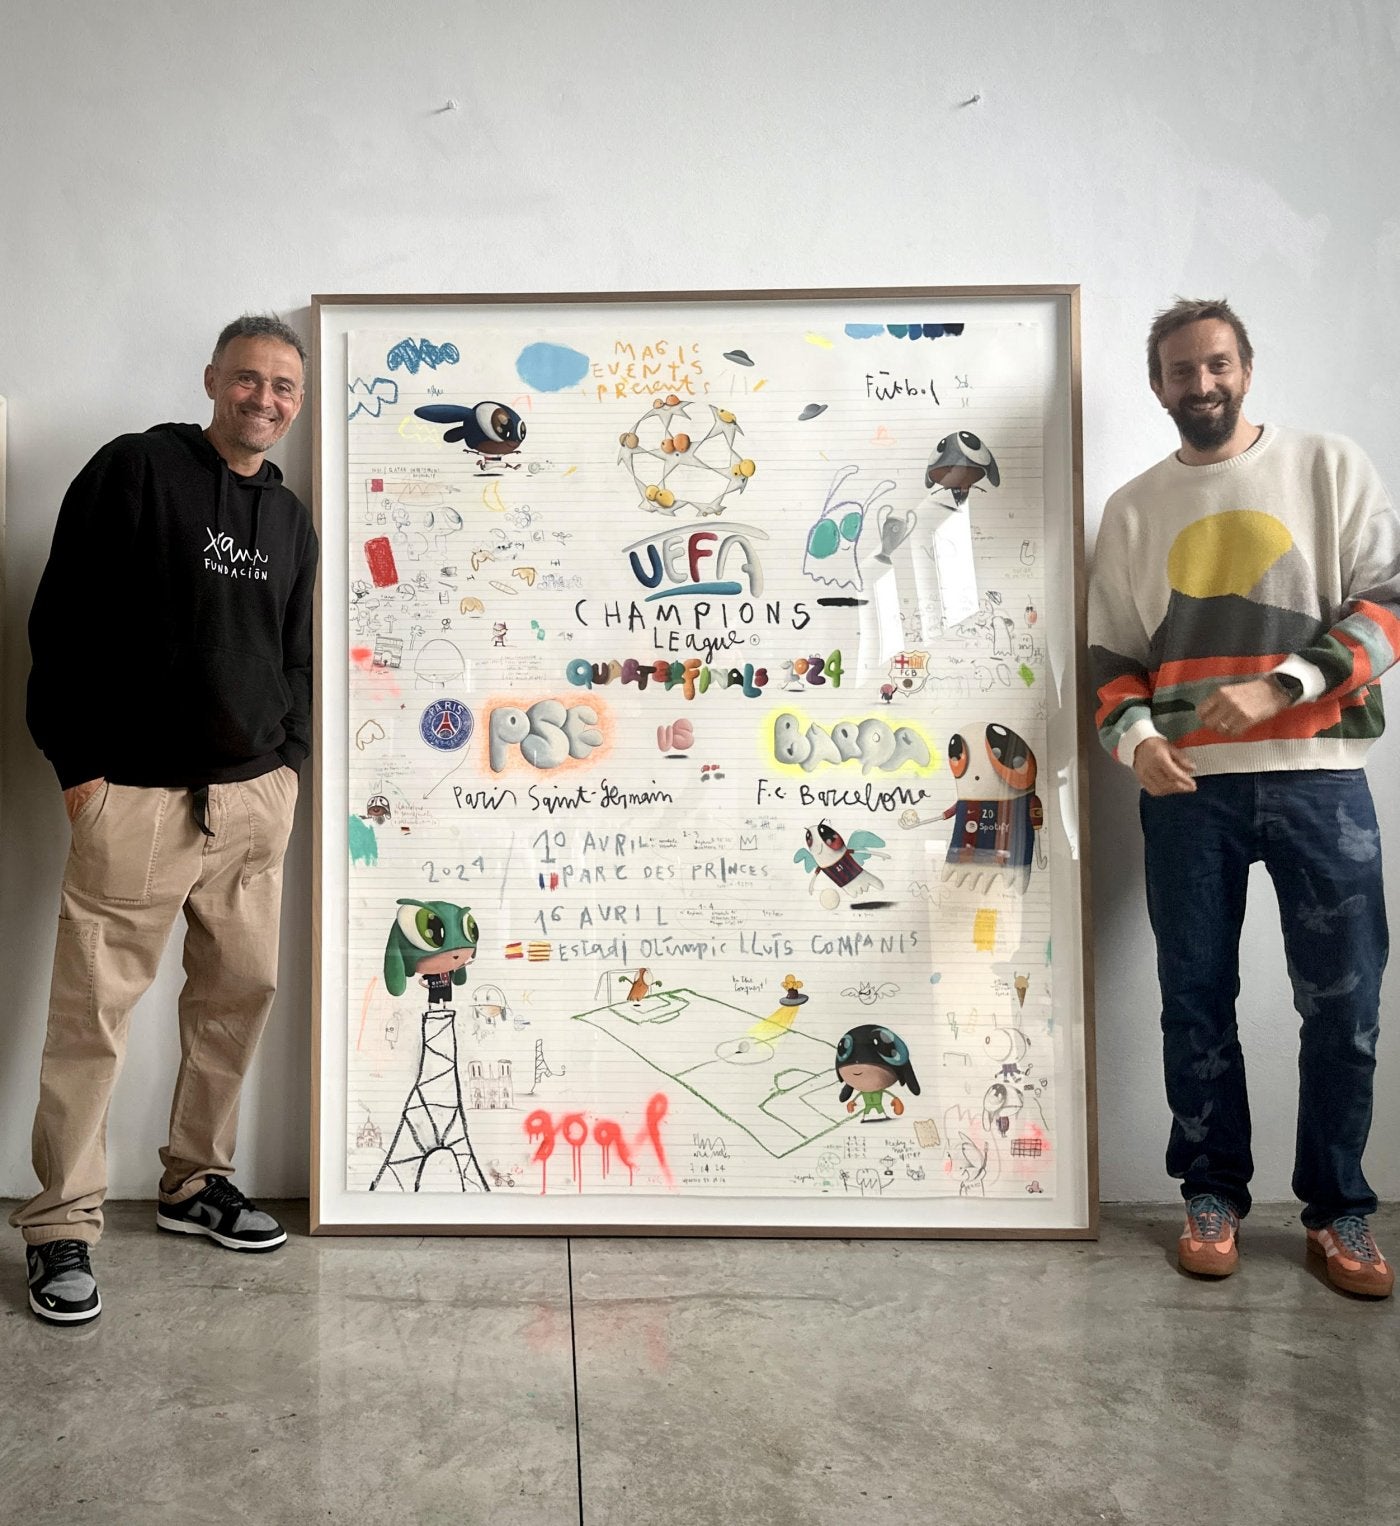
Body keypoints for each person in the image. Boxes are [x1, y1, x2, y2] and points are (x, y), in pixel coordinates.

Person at [14, 315, 319, 1325]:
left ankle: (196, 1181)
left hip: (250, 799)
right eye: (248, 380)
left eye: (283, 386)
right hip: (134, 794)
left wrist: (290, 769)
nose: (264, 399)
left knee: (237, 999)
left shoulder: (290, 521)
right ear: (212, 381)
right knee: (90, 1016)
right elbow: (58, 621)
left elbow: (298, 656)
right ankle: (61, 1221)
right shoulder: (137, 470)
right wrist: (80, 770)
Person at [1089, 297, 1397, 1297]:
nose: (1201, 385)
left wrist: (1284, 683)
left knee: (1343, 1005)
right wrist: (1133, 742)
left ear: (1246, 367)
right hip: (1186, 793)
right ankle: (1209, 1193)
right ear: (1157, 386)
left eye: (1216, 364)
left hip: (1319, 776)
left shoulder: (1326, 467)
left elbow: (1388, 605)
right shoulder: (1132, 508)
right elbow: (1109, 660)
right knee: (1193, 1002)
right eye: (1181, 371)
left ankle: (1338, 1212)